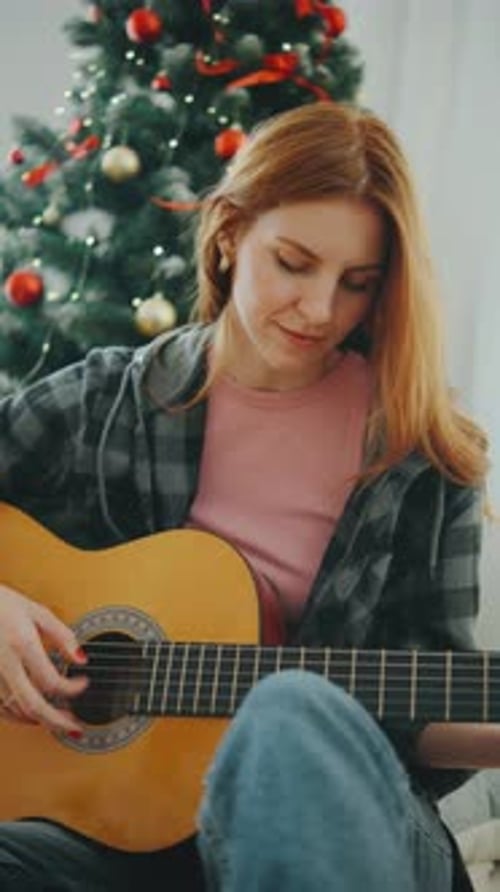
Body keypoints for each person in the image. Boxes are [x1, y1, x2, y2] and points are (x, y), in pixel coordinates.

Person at [0, 100, 492, 892]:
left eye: (358, 284)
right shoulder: (102, 401)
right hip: (124, 835)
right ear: (229, 232)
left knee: (291, 711)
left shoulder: (424, 454)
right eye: (294, 263)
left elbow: (432, 702)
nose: (322, 310)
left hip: (346, 824)